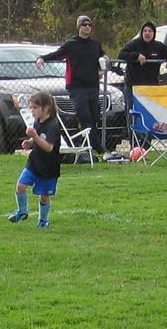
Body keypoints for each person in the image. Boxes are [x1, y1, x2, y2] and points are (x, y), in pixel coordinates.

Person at [40, 15, 107, 147]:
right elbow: (57, 54)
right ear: (78, 27)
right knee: (84, 115)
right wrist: (42, 58)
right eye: (84, 25)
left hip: (93, 85)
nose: (87, 27)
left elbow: (101, 56)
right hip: (76, 87)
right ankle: (96, 147)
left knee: (94, 116)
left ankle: (90, 145)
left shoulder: (95, 44)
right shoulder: (71, 44)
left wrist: (104, 59)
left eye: (89, 25)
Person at [6, 90, 63, 227]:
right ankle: (22, 211)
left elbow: (49, 147)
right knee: (20, 186)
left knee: (44, 196)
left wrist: (35, 137)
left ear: (46, 108)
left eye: (35, 108)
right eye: (31, 107)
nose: (32, 111)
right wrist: (30, 142)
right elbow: (38, 136)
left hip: (48, 167)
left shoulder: (53, 125)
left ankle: (43, 221)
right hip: (34, 163)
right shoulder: (38, 121)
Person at [116, 22, 167, 90]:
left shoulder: (158, 46)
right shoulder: (134, 44)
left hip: (151, 86)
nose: (147, 33)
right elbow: (121, 54)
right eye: (145, 31)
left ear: (154, 33)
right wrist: (136, 55)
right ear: (141, 32)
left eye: (150, 31)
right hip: (132, 86)